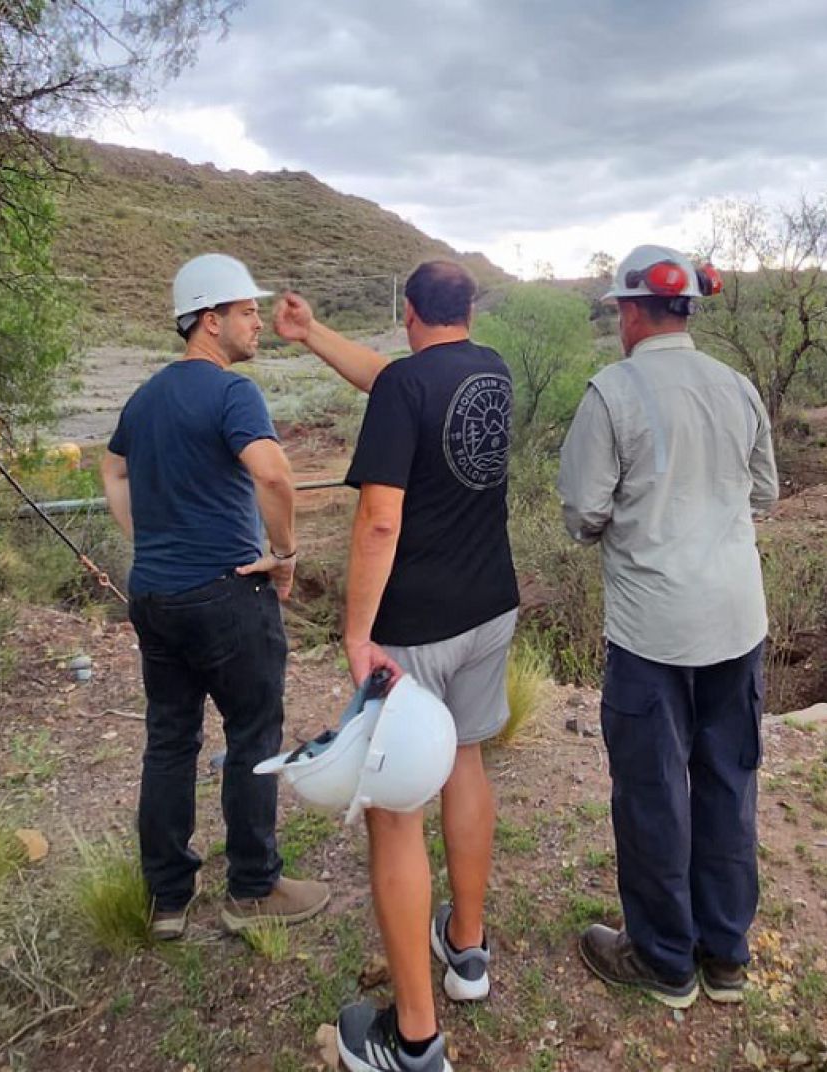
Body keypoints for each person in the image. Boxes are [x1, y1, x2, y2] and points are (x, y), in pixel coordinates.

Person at [274, 261, 517, 1072]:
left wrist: (354, 632)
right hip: (491, 609)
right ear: (468, 311)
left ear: (407, 312)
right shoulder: (489, 371)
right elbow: (389, 376)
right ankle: (468, 951)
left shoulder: (404, 389)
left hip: (411, 629)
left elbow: (380, 520)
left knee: (395, 812)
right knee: (469, 765)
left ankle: (414, 1040)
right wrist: (310, 338)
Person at [556, 244, 778, 1009]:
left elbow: (584, 514)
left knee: (653, 790)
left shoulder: (612, 393)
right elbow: (766, 493)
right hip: (737, 622)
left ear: (630, 311)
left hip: (653, 632)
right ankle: (725, 956)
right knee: (728, 783)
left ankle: (662, 960)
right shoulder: (739, 387)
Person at [100, 253, 331, 941]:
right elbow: (276, 477)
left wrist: (149, 538)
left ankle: (168, 898)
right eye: (247, 311)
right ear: (210, 319)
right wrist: (284, 557)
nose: (258, 322)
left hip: (155, 595)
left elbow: (113, 470)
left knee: (169, 740)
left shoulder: (144, 398)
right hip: (229, 594)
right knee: (253, 733)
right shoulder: (234, 394)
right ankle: (254, 889)